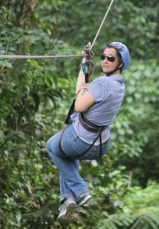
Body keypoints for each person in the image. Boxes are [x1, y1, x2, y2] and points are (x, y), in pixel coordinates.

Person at [46, 41, 130, 224]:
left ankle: (81, 191)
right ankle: (67, 201)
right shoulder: (119, 85)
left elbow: (79, 103)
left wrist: (84, 70)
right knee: (66, 155)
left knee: (52, 146)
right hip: (100, 144)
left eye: (111, 58)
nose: (105, 61)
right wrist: (85, 64)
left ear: (120, 63)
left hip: (82, 140)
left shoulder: (102, 83)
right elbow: (87, 91)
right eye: (103, 57)